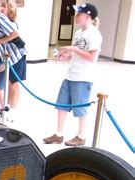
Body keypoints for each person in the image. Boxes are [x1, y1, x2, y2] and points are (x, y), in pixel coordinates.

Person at [43, 3, 102, 146]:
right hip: (70, 75)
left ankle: (81, 136)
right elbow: (75, 54)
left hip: (83, 77)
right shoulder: (78, 33)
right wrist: (65, 55)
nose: (76, 17)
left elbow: (92, 57)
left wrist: (73, 49)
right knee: (61, 104)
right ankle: (58, 134)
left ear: (88, 17)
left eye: (79, 14)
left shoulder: (94, 34)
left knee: (80, 107)